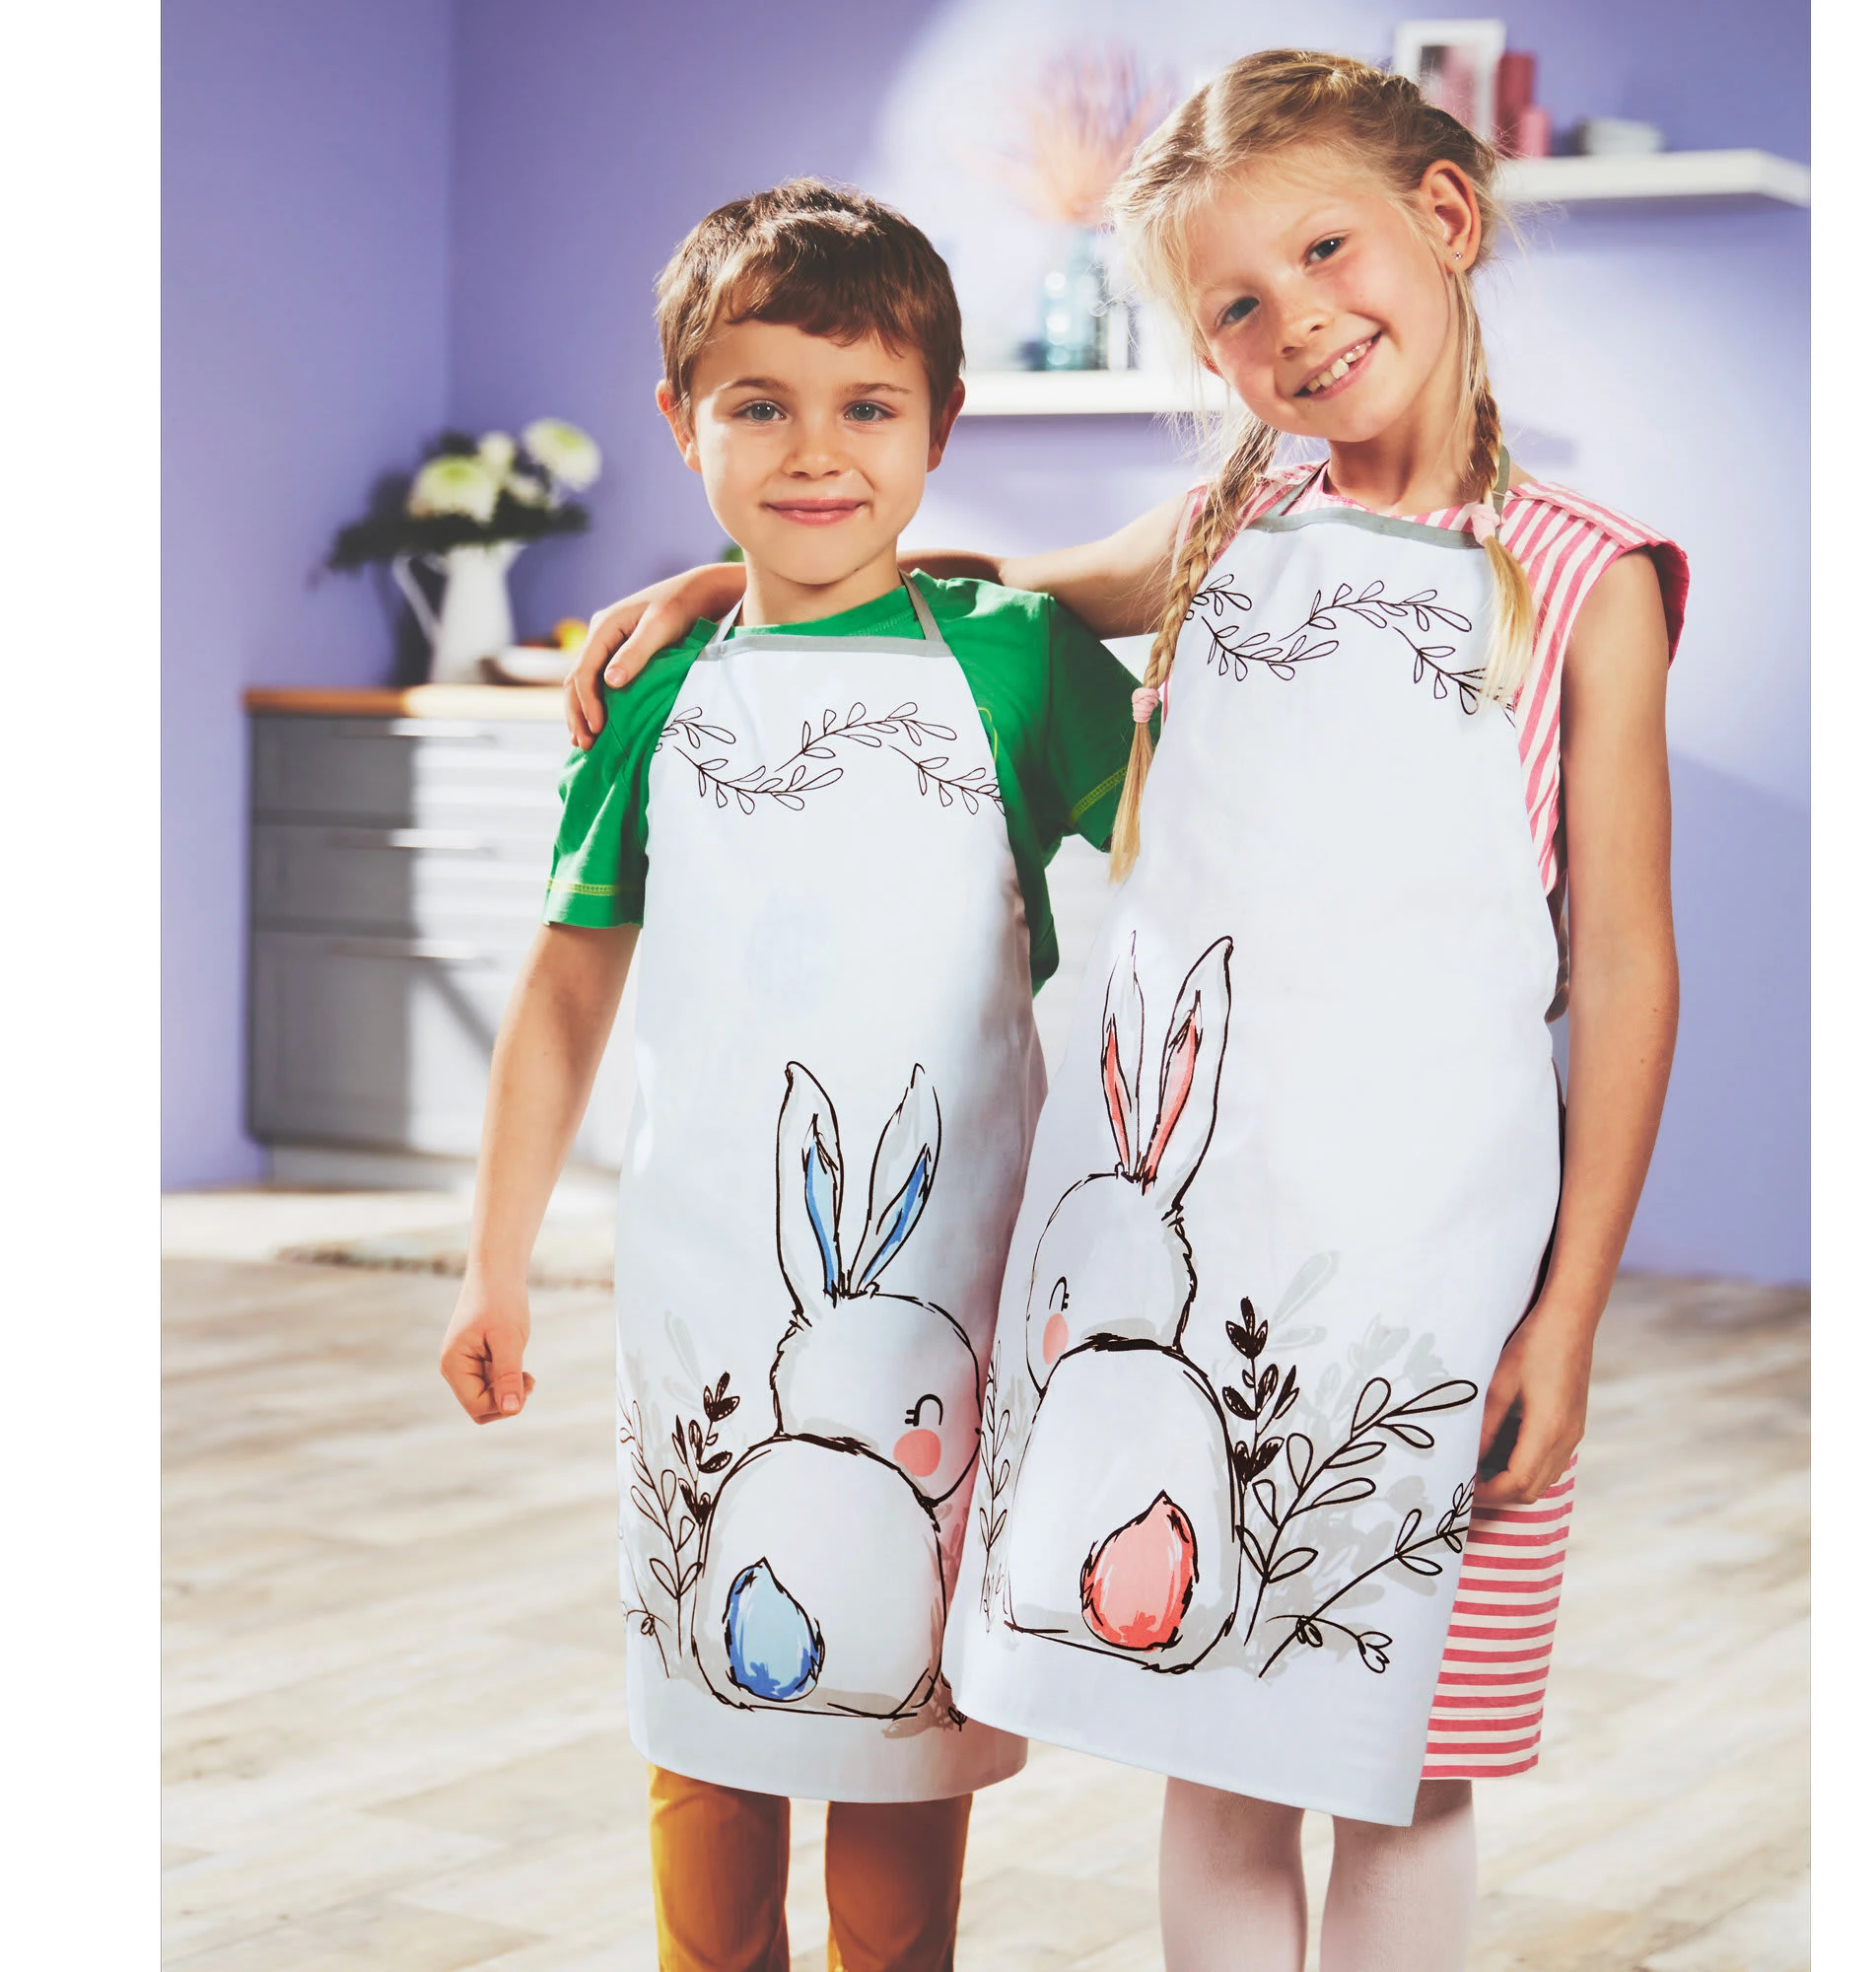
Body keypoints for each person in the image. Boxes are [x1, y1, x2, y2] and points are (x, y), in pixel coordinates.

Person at [564, 52, 1688, 1972]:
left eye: (1322, 252)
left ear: (1445, 216)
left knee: (1404, 1759)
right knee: (1215, 1743)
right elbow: (975, 582)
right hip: (1208, 1259)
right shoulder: (1230, 520)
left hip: (1439, 1282)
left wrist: (1569, 1313)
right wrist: (730, 584)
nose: (1290, 323)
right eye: (1231, 304)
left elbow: (1630, 965)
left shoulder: (1586, 583)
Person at [440, 178, 1144, 1972]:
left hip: (939, 1314)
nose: (816, 452)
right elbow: (568, 989)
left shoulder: (1020, 667)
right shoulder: (656, 687)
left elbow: (1200, 868)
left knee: (901, 1723)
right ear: (683, 424)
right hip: (701, 1300)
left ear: (940, 428)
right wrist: (494, 1263)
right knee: (706, 1706)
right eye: (759, 405)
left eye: (867, 406)